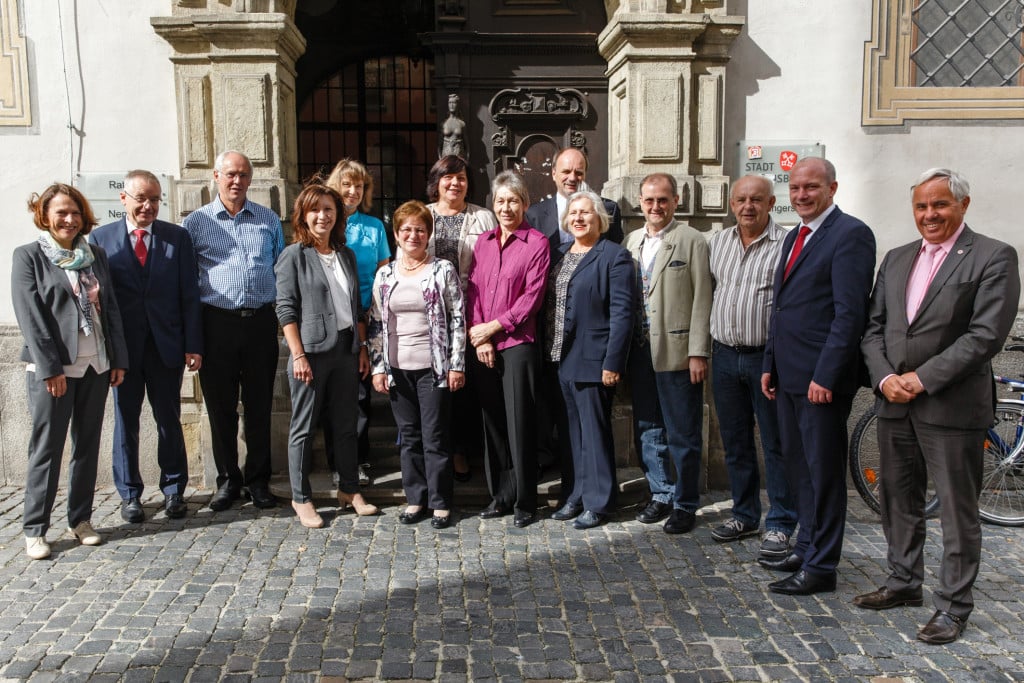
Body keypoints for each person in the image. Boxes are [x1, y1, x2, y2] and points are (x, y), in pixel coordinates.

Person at [856, 169, 1020, 644]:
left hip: (951, 407)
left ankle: (953, 606)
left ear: (963, 206)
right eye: (922, 207)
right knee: (897, 498)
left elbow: (986, 336)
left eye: (940, 205)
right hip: (894, 403)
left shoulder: (993, 256)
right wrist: (885, 376)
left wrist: (921, 378)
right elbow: (873, 328)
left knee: (956, 509)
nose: (930, 215)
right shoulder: (897, 258)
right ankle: (904, 581)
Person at [759, 157, 876, 595]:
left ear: (833, 188)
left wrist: (826, 375)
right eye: (795, 188)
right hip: (788, 375)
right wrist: (770, 363)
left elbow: (849, 315)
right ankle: (805, 545)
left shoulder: (851, 235)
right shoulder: (794, 236)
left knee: (823, 473)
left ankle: (822, 566)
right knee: (799, 469)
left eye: (811, 187)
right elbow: (782, 308)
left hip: (821, 382)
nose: (802, 195)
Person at [12, 184, 129, 559]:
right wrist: (50, 369)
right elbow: (31, 318)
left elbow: (109, 309)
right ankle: (35, 528)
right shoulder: (29, 256)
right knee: (47, 448)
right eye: (61, 212)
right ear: (45, 215)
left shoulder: (93, 254)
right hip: (55, 369)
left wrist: (118, 359)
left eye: (75, 212)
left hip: (95, 363)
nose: (69, 219)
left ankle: (80, 520)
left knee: (87, 445)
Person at [90, 170, 203, 523]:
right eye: (141, 198)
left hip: (166, 346)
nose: (148, 206)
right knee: (126, 421)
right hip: (123, 351)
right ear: (123, 199)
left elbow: (189, 294)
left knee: (168, 418)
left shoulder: (176, 238)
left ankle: (173, 490)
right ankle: (130, 494)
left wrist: (193, 344)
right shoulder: (100, 240)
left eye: (155, 199)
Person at [184, 150, 285, 511]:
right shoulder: (195, 223)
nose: (237, 181)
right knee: (221, 408)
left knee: (259, 407)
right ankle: (227, 482)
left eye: (243, 174)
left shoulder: (268, 220)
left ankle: (259, 482)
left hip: (259, 322)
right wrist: (191, 338)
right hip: (216, 324)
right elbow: (187, 283)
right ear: (215, 176)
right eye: (230, 174)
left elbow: (280, 267)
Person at [276, 184, 376, 528]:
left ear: (338, 214)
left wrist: (361, 348)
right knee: (303, 429)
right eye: (315, 209)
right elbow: (285, 310)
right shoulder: (294, 255)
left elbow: (356, 306)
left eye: (329, 209)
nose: (323, 215)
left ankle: (349, 489)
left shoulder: (345, 254)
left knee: (346, 425)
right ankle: (301, 497)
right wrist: (298, 355)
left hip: (346, 350)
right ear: (304, 215)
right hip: (311, 354)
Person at [707, 175, 797, 560]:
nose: (748, 206)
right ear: (731, 203)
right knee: (736, 442)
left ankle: (780, 522)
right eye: (741, 199)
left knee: (776, 444)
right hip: (724, 355)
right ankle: (744, 514)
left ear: (771, 203)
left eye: (756, 200)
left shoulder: (787, 244)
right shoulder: (718, 243)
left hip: (767, 359)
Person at [369, 201, 466, 529]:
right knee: (409, 436)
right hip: (397, 368)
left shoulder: (442, 269)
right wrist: (379, 366)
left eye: (420, 229)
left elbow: (457, 317)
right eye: (407, 229)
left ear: (429, 234)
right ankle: (415, 499)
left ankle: (440, 503)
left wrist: (456, 364)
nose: (413, 235)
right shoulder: (384, 275)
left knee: (435, 436)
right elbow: (376, 323)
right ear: (396, 234)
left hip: (434, 368)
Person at [625, 173, 712, 535]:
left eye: (663, 200)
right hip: (640, 352)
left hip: (678, 352)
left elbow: (703, 299)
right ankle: (660, 492)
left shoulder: (692, 240)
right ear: (640, 204)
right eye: (649, 201)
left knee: (683, 431)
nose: (656, 207)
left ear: (675, 201)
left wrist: (698, 352)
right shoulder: (631, 241)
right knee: (648, 427)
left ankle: (685, 503)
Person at [466, 170, 550, 528]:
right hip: (484, 345)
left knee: (520, 423)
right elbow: (473, 291)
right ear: (493, 205)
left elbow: (531, 299)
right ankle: (500, 495)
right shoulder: (483, 242)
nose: (506, 207)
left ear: (525, 204)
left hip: (518, 344)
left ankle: (526, 500)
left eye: (513, 200)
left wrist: (493, 328)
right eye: (500, 201)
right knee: (492, 423)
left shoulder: (537, 243)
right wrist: (481, 336)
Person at [545, 191, 634, 529]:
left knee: (594, 432)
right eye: (574, 213)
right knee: (571, 434)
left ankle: (600, 503)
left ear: (600, 219)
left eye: (587, 213)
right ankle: (575, 495)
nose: (579, 218)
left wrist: (613, 362)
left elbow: (622, 313)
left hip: (594, 358)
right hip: (559, 356)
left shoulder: (614, 256)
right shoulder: (560, 254)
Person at [425, 154, 498, 482]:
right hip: (430, 318)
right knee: (436, 388)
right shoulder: (422, 216)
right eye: (448, 177)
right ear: (436, 181)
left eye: (461, 178)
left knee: (468, 388)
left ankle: (467, 452)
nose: (455, 183)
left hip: (473, 314)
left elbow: (494, 267)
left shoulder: (483, 218)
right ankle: (441, 453)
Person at [325, 158, 392, 486]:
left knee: (362, 395)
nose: (352, 191)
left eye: (359, 186)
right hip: (332, 319)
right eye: (347, 184)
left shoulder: (374, 226)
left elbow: (383, 272)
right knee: (334, 396)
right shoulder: (325, 222)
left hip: (366, 318)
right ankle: (337, 463)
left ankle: (360, 459)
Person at [524, 147, 624, 249]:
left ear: (585, 174)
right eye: (566, 172)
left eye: (579, 173)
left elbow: (614, 252)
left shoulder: (608, 210)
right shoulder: (534, 215)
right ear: (554, 174)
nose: (572, 178)